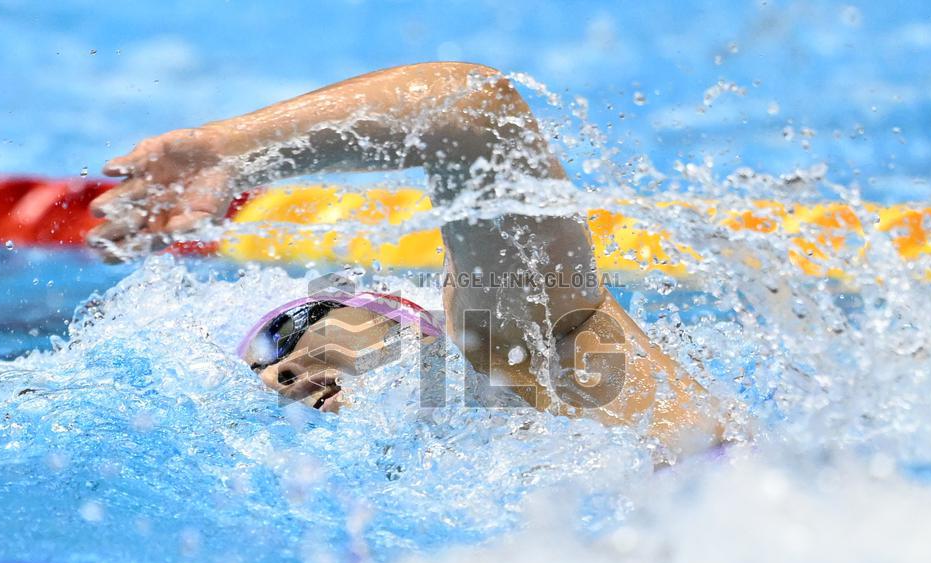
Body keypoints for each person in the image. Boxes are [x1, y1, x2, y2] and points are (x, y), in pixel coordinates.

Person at [88, 61, 723, 457]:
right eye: (263, 367)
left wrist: (234, 154)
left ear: (395, 316)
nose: (277, 374)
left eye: (288, 335)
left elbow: (476, 112)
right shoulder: (474, 473)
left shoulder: (520, 341)